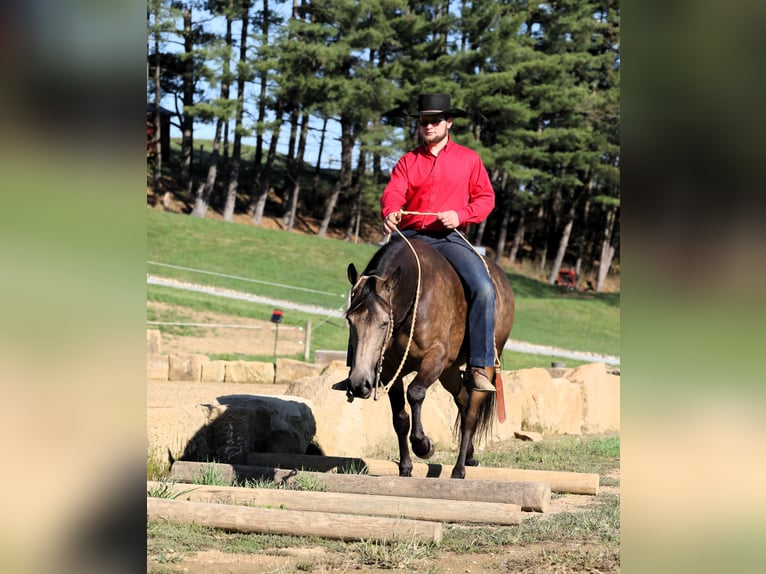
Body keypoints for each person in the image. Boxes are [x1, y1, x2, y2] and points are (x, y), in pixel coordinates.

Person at [380, 93, 497, 392]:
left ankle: (478, 367)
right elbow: (394, 192)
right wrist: (391, 210)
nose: (428, 126)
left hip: (449, 238)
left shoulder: (469, 160)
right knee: (368, 285)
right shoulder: (408, 161)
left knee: (483, 289)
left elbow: (485, 199)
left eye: (434, 121)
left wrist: (460, 215)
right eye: (423, 121)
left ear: (449, 123)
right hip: (411, 237)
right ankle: (359, 365)